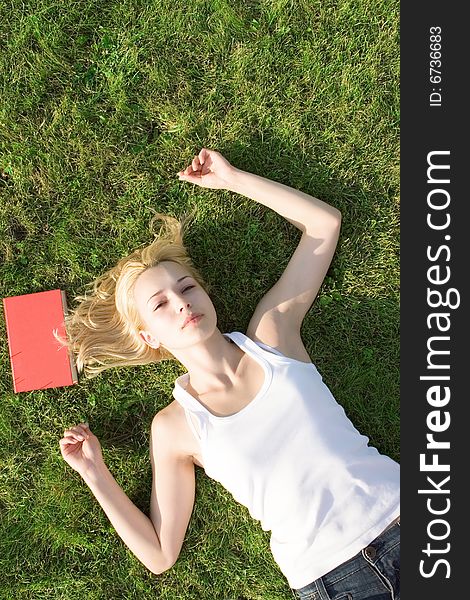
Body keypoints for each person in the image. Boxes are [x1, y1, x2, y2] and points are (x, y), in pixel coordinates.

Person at [59, 148, 400, 599]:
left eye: (186, 287)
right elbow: (161, 554)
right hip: (333, 579)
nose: (181, 302)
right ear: (148, 337)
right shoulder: (175, 428)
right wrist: (94, 473)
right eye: (160, 304)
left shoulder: (273, 337)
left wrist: (233, 179)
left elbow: (324, 225)